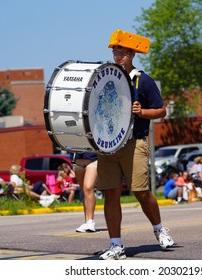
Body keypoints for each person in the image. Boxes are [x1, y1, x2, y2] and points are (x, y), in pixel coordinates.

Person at [97, 30, 174, 260]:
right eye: (115, 51)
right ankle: (116, 245)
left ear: (132, 54)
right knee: (111, 193)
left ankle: (159, 228)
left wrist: (143, 112)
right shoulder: (106, 77)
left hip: (134, 142)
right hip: (108, 145)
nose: (117, 55)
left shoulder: (144, 80)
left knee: (140, 191)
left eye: (121, 52)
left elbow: (161, 110)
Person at [73, 152, 98, 233]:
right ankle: (86, 221)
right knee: (84, 191)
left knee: (88, 188)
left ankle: (91, 221)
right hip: (77, 160)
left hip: (93, 159)